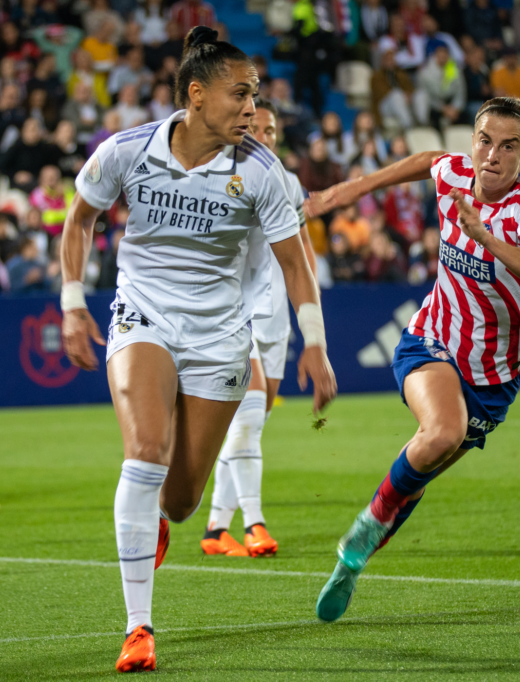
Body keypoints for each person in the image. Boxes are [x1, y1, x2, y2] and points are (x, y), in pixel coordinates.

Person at [58, 27, 335, 672]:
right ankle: (138, 627)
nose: (252, 109)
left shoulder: (262, 172)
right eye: (241, 95)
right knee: (146, 453)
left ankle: (158, 523)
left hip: (220, 338)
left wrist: (314, 346)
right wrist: (73, 303)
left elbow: (297, 265)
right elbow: (80, 217)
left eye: (256, 96)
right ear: (196, 94)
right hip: (143, 315)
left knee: (181, 501)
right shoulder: (127, 151)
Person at [304, 97, 520, 622]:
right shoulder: (456, 173)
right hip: (433, 339)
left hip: (495, 374)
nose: (491, 155)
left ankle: (352, 563)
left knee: (423, 466)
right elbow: (426, 160)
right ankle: (364, 528)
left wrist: (484, 236)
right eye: (484, 140)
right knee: (443, 432)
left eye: (508, 146)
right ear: (473, 140)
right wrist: (349, 189)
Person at [201, 97, 317, 558]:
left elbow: (301, 256)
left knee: (250, 427)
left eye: (270, 132)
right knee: (246, 423)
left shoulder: (286, 182)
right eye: (256, 129)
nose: (264, 138)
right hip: (234, 316)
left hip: (274, 320)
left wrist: (314, 327)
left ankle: (215, 529)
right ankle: (255, 524)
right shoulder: (216, 177)